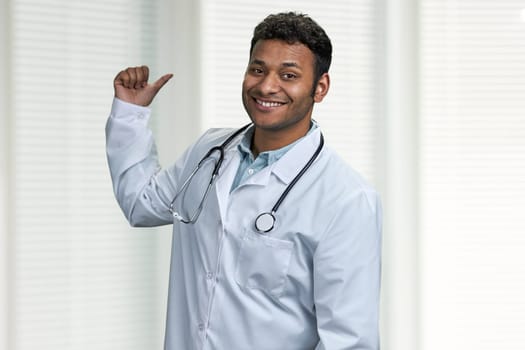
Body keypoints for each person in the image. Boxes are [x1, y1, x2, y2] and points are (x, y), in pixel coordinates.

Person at [106, 12, 382, 350]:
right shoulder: (209, 151)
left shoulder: (347, 199)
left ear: (320, 87)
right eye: (258, 69)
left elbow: (349, 342)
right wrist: (130, 115)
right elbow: (141, 206)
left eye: (289, 75)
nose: (267, 86)